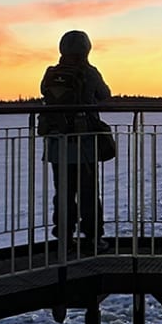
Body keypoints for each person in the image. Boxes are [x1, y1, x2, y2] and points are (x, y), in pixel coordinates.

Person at [39, 30, 113, 257]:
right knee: (88, 192)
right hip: (84, 144)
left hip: (57, 144)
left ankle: (64, 240)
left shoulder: (52, 73)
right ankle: (93, 239)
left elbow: (44, 92)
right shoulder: (89, 72)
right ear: (86, 49)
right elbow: (105, 94)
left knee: (62, 192)